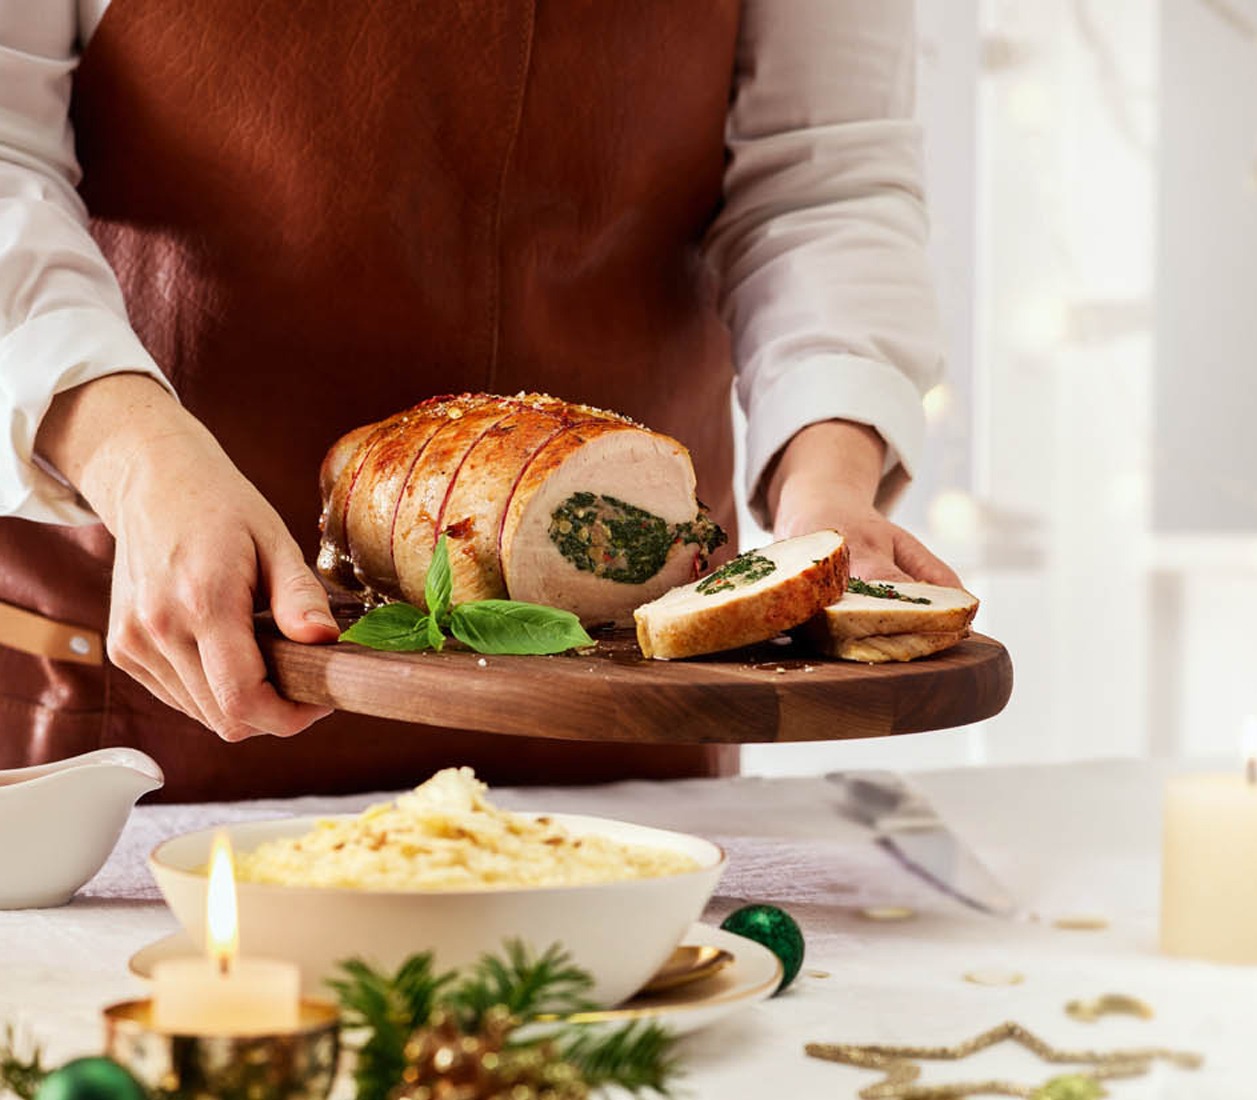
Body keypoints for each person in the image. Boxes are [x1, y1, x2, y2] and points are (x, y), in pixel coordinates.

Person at [0, 1, 960, 800]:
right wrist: (138, 463)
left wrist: (828, 495)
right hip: (164, 667)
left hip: (621, 697)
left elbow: (822, 180)